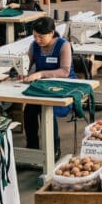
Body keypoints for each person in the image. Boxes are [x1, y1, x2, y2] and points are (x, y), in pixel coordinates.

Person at [20, 17, 76, 157]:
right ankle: (32, 148)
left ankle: (54, 149)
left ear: (52, 33)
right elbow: (26, 65)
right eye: (35, 36)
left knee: (48, 108)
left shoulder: (64, 45)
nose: (37, 40)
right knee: (29, 109)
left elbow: (64, 71)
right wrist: (20, 72)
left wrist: (40, 74)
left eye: (41, 36)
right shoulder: (34, 46)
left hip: (64, 86)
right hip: (43, 86)